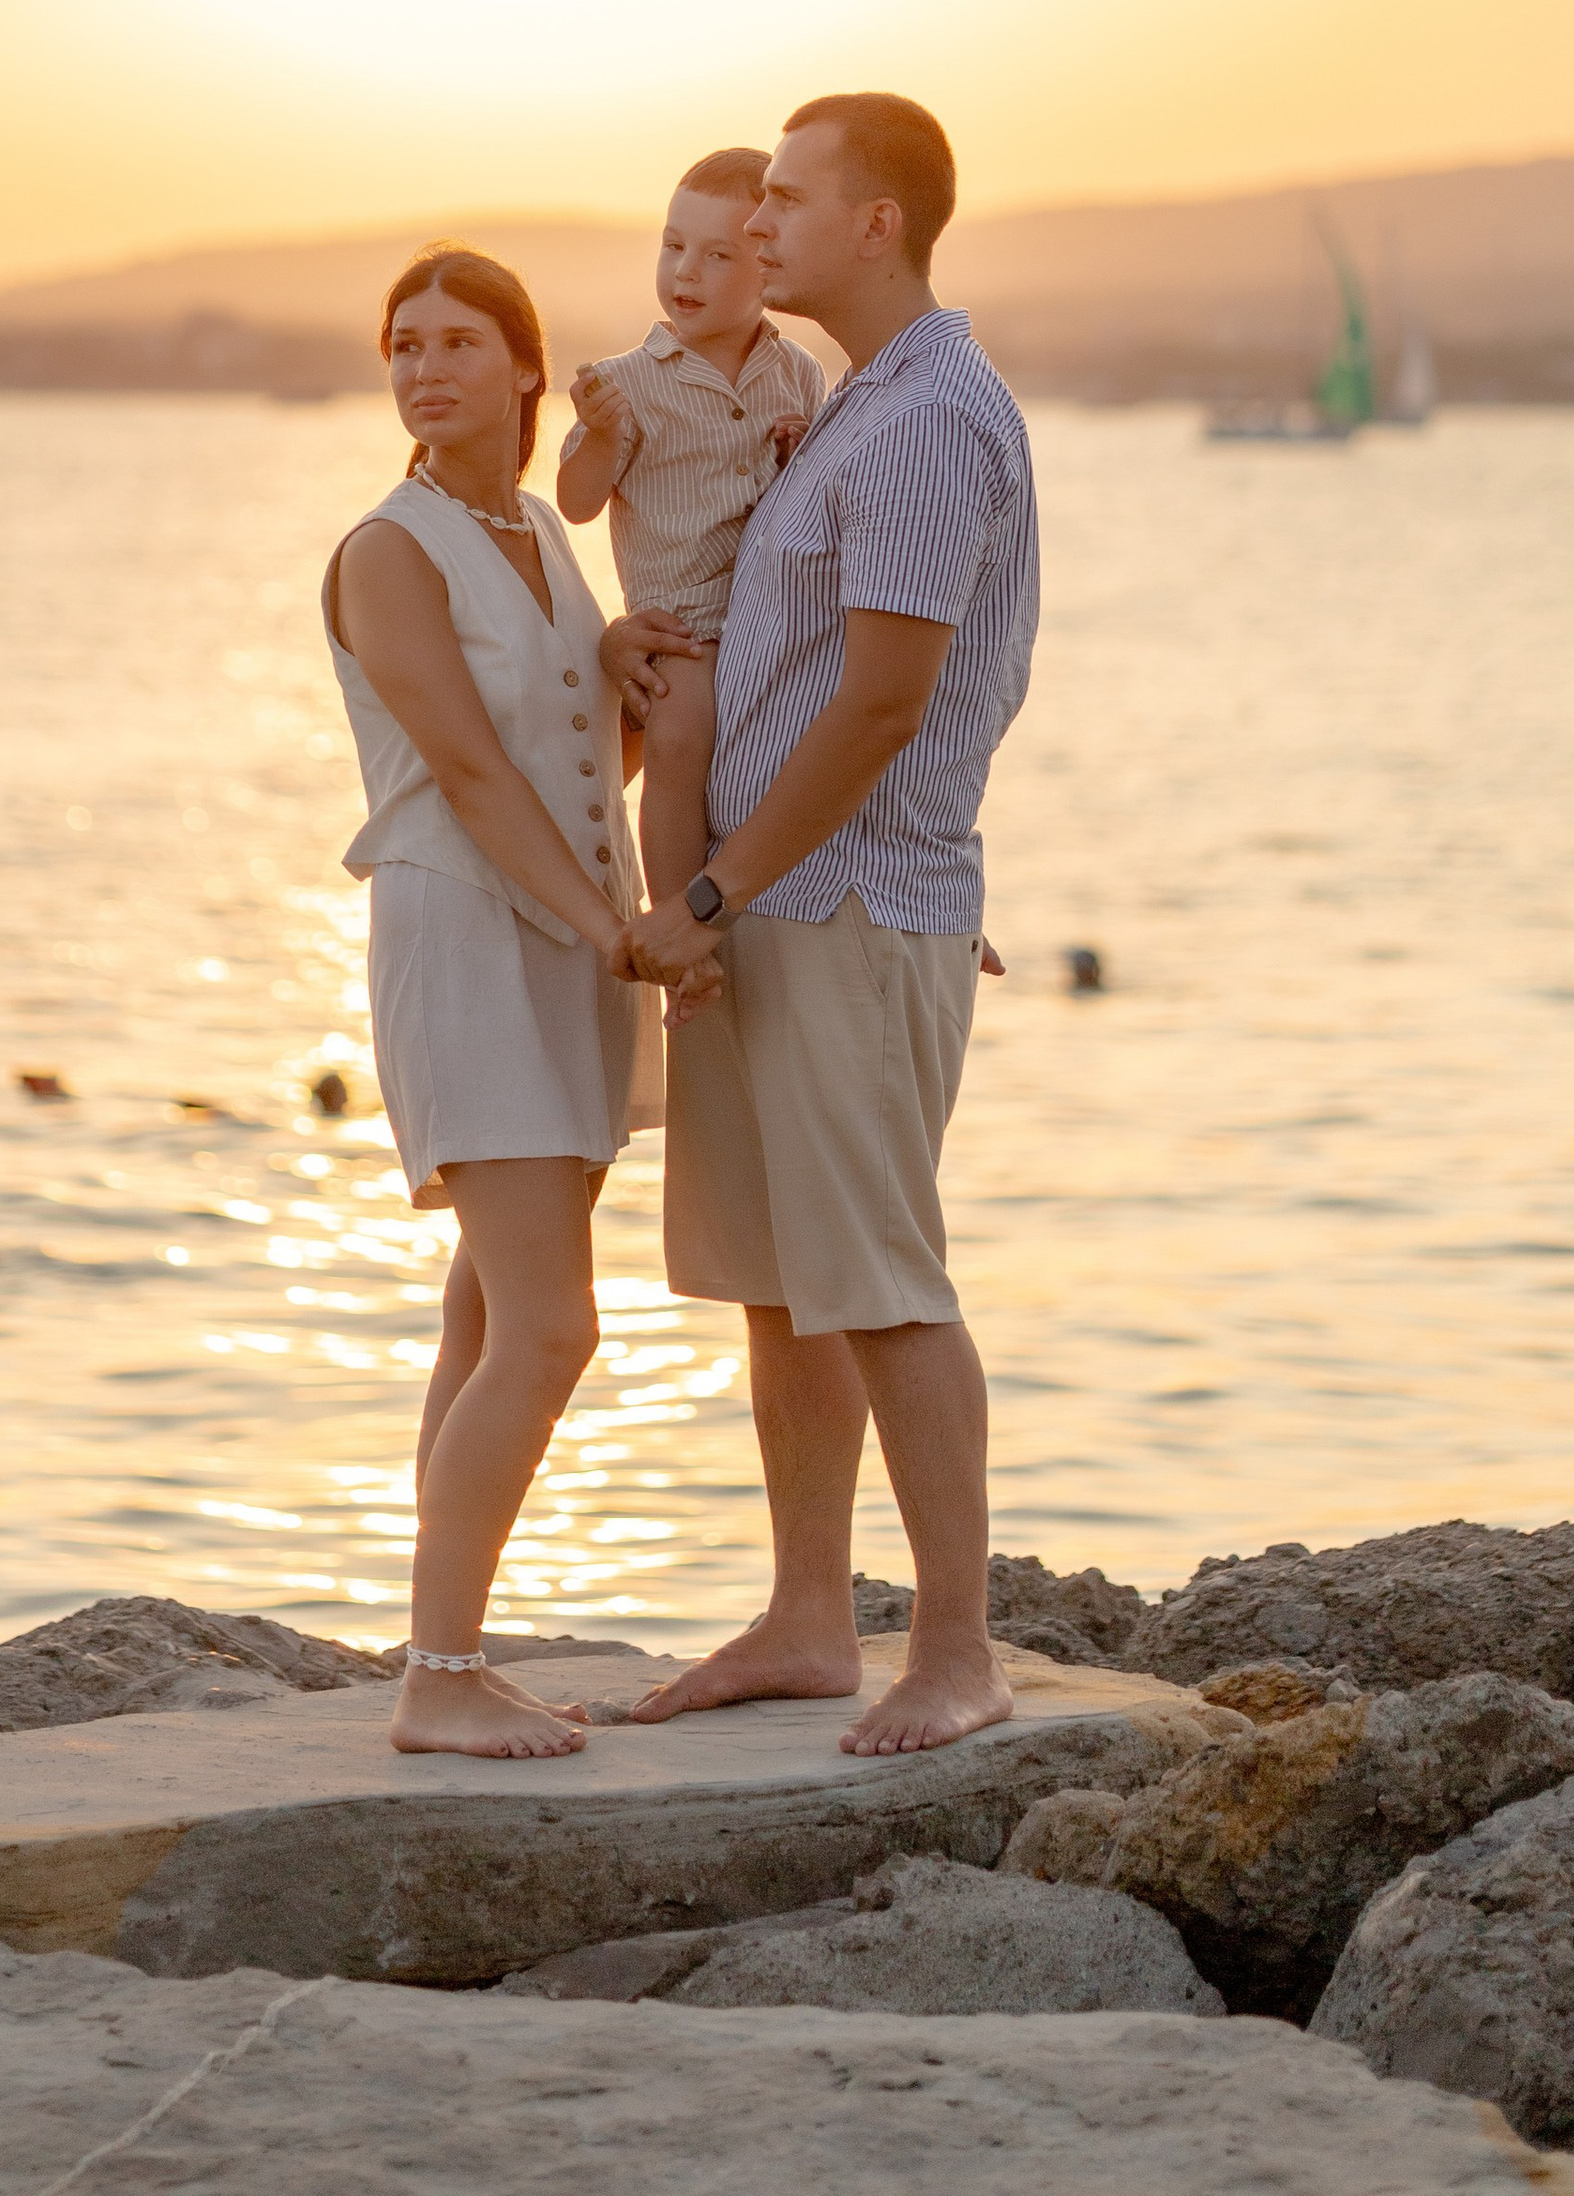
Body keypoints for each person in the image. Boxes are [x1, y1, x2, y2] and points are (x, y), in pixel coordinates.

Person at [622, 94, 1039, 1758]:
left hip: (844, 902)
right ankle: (808, 1619)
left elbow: (885, 702)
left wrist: (709, 892)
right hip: (778, 902)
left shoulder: (929, 417)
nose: (756, 223)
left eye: (788, 198)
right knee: (785, 1286)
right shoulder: (851, 402)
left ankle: (956, 1651)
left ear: (878, 223)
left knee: (880, 1280)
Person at [324, 245, 694, 1759]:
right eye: (405, 344)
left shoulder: (539, 529)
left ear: (526, 367)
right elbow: (469, 774)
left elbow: (565, 761)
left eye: (458, 341)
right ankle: (438, 1675)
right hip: (472, 937)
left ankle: (444, 1652)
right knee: (550, 1329)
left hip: (561, 938)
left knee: (486, 1313)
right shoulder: (388, 550)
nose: (424, 367)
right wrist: (615, 932)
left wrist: (620, 678)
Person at [556, 145, 826, 913]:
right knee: (677, 741)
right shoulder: (626, 383)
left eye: (717, 255)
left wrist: (797, 454)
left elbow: (816, 502)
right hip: (684, 626)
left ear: (768, 264)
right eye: (674, 246)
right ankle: (676, 914)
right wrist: (601, 436)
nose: (686, 272)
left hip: (777, 613)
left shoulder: (799, 372)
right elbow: (576, 500)